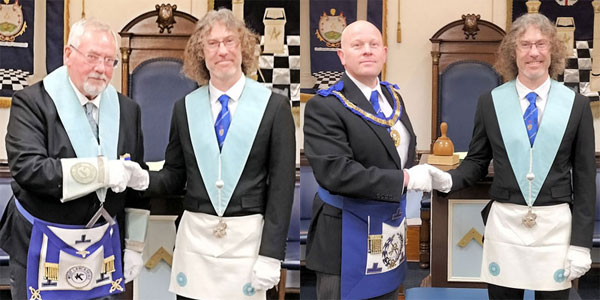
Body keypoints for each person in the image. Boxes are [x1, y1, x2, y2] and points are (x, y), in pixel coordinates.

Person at [127, 8, 296, 300]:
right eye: (212, 43)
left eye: (229, 41)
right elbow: (174, 176)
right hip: (196, 247)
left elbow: (281, 190)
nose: (222, 51)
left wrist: (271, 255)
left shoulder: (273, 107)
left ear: (243, 48)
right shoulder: (184, 108)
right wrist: (141, 178)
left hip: (248, 247)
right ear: (200, 53)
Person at [424, 13, 596, 299]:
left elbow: (585, 179)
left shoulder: (575, 106)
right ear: (512, 52)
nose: (533, 53)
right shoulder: (491, 102)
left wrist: (580, 244)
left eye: (541, 44)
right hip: (505, 227)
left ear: (552, 50)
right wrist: (445, 180)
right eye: (525, 45)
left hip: (555, 229)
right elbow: (477, 162)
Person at [0, 18, 150, 300]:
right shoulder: (32, 102)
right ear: (68, 54)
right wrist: (103, 172)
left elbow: (135, 188)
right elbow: (29, 169)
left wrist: (135, 246)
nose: (100, 69)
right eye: (92, 57)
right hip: (41, 244)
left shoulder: (128, 110)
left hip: (102, 251)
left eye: (109, 60)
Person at [303, 20, 432, 299]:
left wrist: (414, 172)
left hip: (387, 229)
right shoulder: (325, 105)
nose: (367, 51)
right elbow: (336, 173)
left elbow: (400, 152)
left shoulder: (393, 98)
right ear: (342, 56)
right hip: (344, 235)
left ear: (384, 53)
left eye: (374, 45)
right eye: (357, 45)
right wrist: (405, 179)